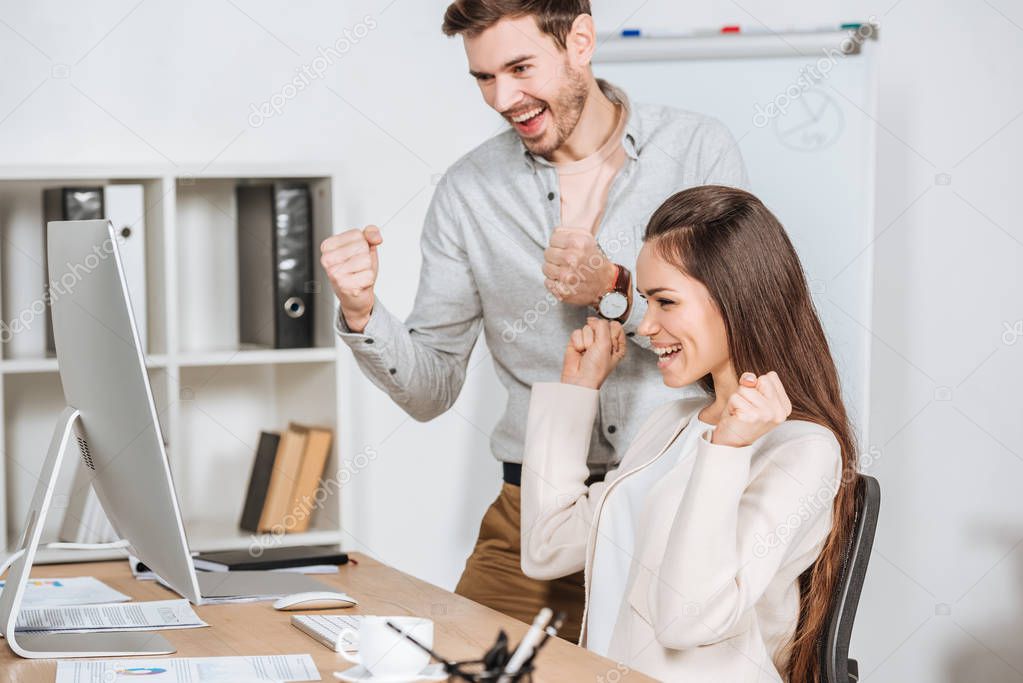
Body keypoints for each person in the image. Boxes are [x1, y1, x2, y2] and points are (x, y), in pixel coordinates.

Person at [320, 0, 746, 641]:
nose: (502, 98)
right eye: (484, 78)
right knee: (457, 660)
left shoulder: (695, 150)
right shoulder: (469, 192)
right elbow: (431, 388)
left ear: (580, 39)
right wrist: (362, 312)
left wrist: (617, 289)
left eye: (520, 68)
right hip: (532, 508)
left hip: (671, 494)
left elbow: (736, 323)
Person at [520, 185, 859, 681]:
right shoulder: (672, 423)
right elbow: (545, 548)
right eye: (646, 301)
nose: (645, 325)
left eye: (665, 302)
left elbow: (688, 620)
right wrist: (577, 391)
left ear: (734, 299)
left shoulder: (805, 450)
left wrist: (727, 450)